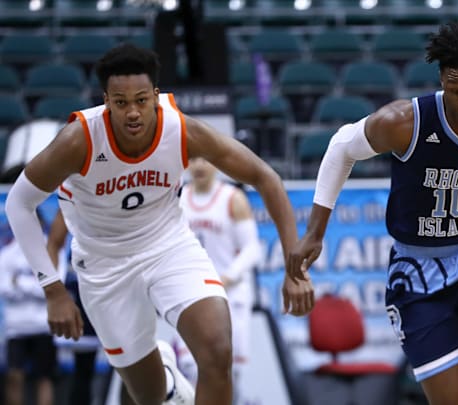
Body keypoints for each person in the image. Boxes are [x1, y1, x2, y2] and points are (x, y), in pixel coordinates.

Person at [5, 43, 314, 405]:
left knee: (216, 352)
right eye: (121, 103)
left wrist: (295, 271)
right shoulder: (79, 140)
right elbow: (18, 204)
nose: (132, 112)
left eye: (141, 100)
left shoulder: (181, 130)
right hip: (104, 266)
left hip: (168, 247)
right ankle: (168, 384)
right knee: (149, 397)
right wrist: (53, 288)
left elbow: (266, 178)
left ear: (155, 95)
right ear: (106, 101)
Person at [291, 21, 458, 405]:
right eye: (457, 92)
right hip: (419, 272)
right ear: (441, 82)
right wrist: (315, 232)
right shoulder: (406, 122)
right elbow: (341, 147)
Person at [176, 157, 262, 403]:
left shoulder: (232, 199)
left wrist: (226, 277)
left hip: (230, 294)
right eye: (193, 160)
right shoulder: (178, 199)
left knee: (229, 370)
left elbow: (252, 249)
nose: (200, 166)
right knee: (191, 367)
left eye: (205, 159)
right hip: (193, 294)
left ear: (215, 163)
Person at [0, 211, 58, 405]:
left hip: (44, 325)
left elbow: (55, 288)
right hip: (16, 327)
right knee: (14, 377)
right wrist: (34, 285)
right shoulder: (8, 252)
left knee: (44, 378)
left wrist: (19, 284)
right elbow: (3, 287)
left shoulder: (51, 249)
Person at [46, 209, 101, 405]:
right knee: (83, 368)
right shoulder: (72, 195)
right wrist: (55, 292)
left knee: (131, 369)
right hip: (85, 288)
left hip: (123, 283)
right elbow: (53, 244)